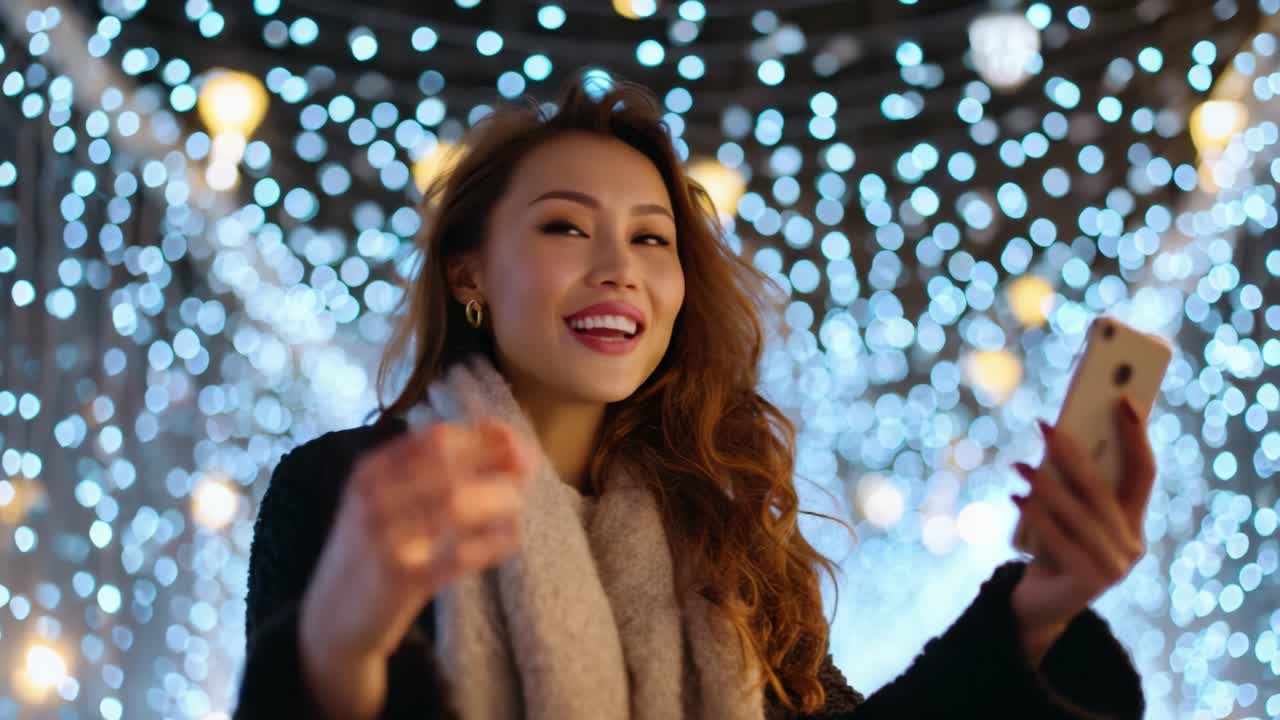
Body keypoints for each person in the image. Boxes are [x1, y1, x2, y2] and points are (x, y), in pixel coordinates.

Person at [233, 70, 1150, 719]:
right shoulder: (352, 495)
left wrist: (1038, 608)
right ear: (468, 269)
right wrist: (339, 644)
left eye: (651, 240)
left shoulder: (719, 530)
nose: (618, 271)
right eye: (565, 226)